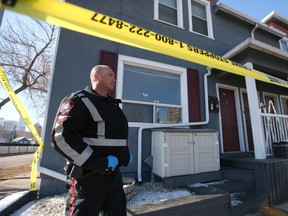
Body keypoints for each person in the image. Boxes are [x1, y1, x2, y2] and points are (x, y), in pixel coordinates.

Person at [51, 65, 132, 216]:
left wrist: (125, 155)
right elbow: (61, 137)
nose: (114, 78)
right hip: (88, 178)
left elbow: (112, 139)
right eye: (110, 75)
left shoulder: (113, 106)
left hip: (113, 177)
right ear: (96, 77)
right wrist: (99, 161)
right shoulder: (78, 101)